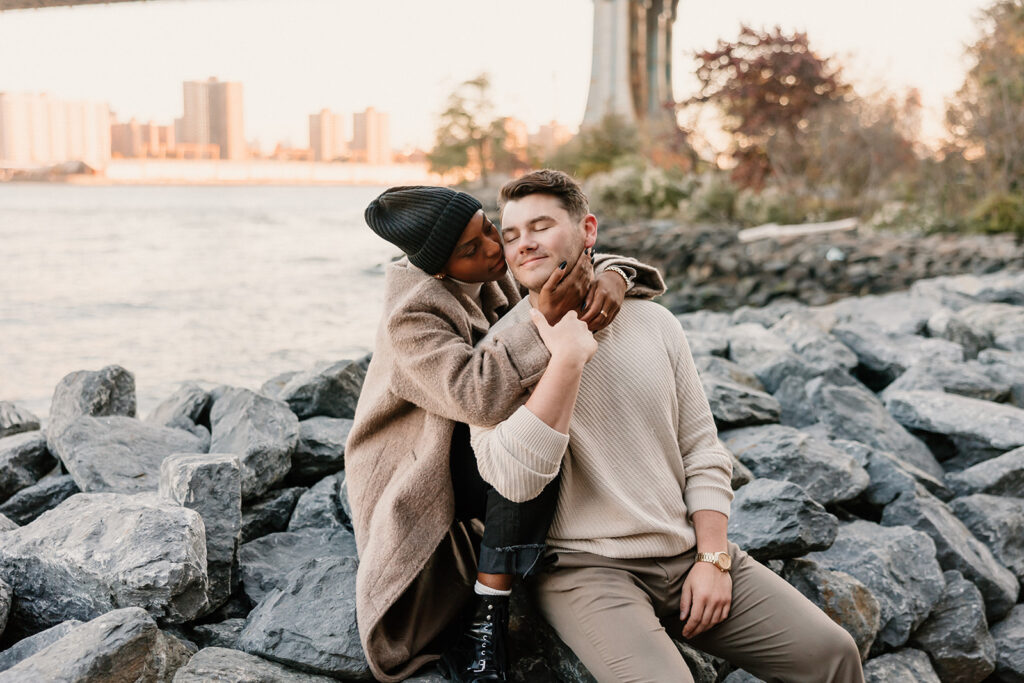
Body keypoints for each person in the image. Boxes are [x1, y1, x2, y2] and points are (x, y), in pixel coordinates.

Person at [469, 169, 865, 683]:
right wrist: (564, 359)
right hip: (584, 570)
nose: (524, 244)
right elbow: (514, 481)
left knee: (833, 654)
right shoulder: (497, 353)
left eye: (541, 226)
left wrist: (714, 559)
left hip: (685, 551)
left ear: (588, 230)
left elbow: (702, 450)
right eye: (513, 234)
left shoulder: (656, 324)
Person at [345, 185, 664, 682]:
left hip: (478, 441)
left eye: (489, 230)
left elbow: (571, 263)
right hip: (424, 463)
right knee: (521, 442)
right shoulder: (412, 314)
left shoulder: (492, 273)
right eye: (472, 250)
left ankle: (615, 537)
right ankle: (486, 620)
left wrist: (612, 275)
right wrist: (545, 321)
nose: (497, 249)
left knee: (533, 430)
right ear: (438, 269)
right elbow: (476, 396)